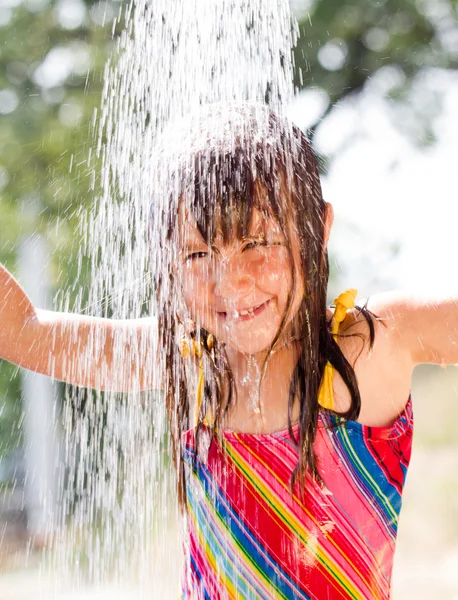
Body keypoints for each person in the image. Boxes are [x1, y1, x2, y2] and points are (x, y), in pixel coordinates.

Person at [0, 103, 457, 599]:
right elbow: (26, 332)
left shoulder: (371, 345)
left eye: (257, 242)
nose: (230, 282)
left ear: (319, 229)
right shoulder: (187, 360)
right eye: (198, 254)